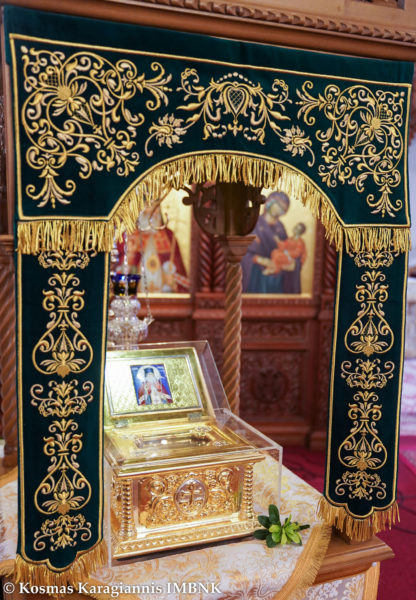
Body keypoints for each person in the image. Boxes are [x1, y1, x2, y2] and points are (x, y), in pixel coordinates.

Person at [242, 191, 290, 293]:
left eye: (282, 208)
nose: (278, 209)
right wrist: (260, 260)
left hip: (276, 277)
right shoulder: (254, 223)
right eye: (277, 204)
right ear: (269, 203)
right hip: (255, 275)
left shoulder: (281, 228)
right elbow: (242, 251)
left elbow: (286, 250)